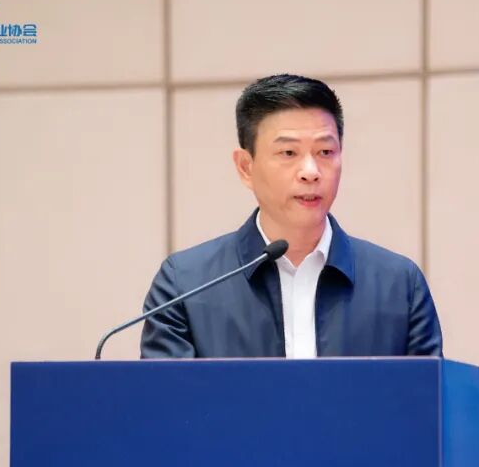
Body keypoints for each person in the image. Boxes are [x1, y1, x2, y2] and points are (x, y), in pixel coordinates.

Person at [140, 73, 442, 359]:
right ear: (246, 167)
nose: (311, 172)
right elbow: (168, 396)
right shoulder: (185, 286)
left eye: (325, 152)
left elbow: (427, 395)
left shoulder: (399, 285)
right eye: (288, 153)